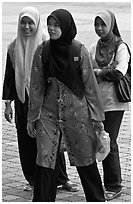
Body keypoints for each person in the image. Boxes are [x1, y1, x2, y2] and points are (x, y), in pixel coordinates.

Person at [27, 8, 105, 202]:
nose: (52, 29)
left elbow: (90, 88)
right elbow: (36, 86)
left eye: (56, 25)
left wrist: (97, 119)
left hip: (77, 115)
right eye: (49, 25)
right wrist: (32, 118)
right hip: (48, 114)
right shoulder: (42, 50)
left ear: (66, 27)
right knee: (45, 160)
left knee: (85, 158)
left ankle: (96, 199)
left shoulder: (79, 50)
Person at [2, 6, 79, 193]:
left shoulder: (46, 43)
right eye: (23, 22)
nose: (27, 26)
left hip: (46, 101)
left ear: (37, 23)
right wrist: (7, 104)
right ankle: (33, 179)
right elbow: (10, 77)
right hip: (23, 101)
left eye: (30, 22)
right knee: (26, 140)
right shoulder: (13, 47)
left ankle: (62, 178)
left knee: (51, 139)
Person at [89, 10, 130, 201]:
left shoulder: (121, 47)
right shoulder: (93, 47)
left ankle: (114, 185)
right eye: (97, 25)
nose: (99, 29)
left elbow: (119, 72)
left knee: (109, 141)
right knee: (98, 142)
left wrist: (98, 72)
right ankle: (104, 183)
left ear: (111, 25)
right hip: (96, 101)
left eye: (103, 25)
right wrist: (102, 71)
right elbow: (86, 71)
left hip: (114, 102)